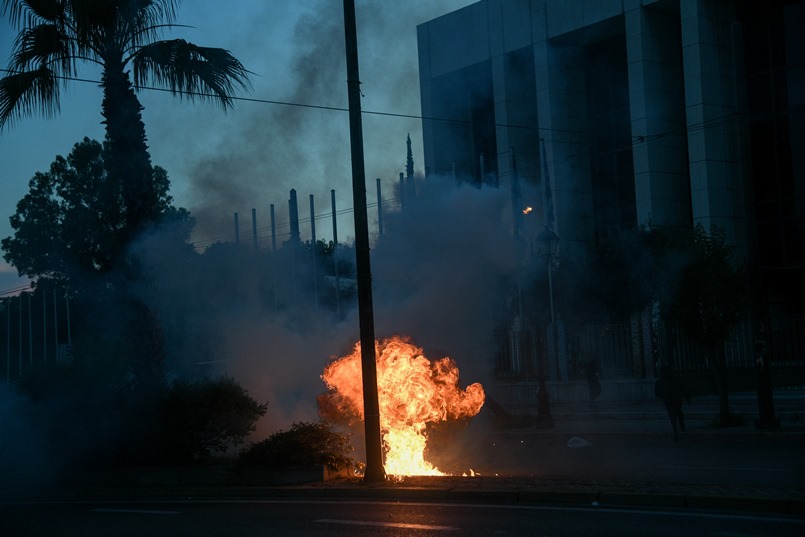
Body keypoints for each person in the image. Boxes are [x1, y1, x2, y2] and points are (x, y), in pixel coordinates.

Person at [654, 366, 690, 440]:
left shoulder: (659, 381)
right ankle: (681, 425)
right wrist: (687, 398)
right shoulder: (676, 379)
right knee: (678, 412)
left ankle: (675, 431)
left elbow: (657, 393)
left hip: (667, 401)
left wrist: (663, 396)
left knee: (672, 416)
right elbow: (683, 389)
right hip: (677, 399)